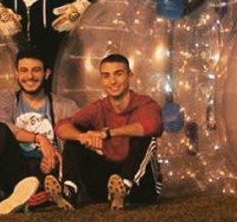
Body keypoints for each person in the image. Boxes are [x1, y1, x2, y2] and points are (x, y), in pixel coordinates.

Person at [0, 47, 78, 214]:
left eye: (36, 70)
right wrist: (39, 139)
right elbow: (2, 122)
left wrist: (55, 160)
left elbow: (74, 144)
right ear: (16, 73)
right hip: (15, 166)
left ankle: (36, 197)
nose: (29, 76)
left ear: (47, 73)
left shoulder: (66, 106)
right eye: (24, 70)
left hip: (47, 171)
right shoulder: (6, 98)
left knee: (51, 174)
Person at [47, 54, 163, 210]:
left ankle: (125, 187)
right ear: (101, 80)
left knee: (144, 137)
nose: (113, 81)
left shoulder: (145, 104)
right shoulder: (99, 107)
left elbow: (152, 126)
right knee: (77, 131)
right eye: (106, 76)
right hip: (106, 185)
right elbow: (61, 126)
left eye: (118, 74)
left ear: (130, 75)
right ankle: (69, 190)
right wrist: (82, 136)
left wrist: (108, 133)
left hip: (142, 187)